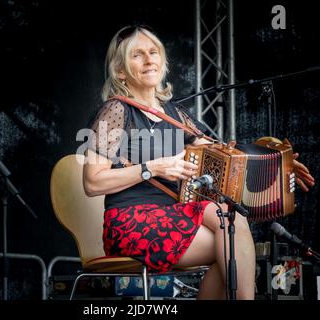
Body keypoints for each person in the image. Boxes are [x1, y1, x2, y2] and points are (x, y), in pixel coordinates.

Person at [82, 26, 315, 300]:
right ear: (121, 71)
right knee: (228, 249)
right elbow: (92, 182)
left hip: (173, 213)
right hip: (130, 220)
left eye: (153, 52)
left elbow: (220, 150)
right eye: (137, 54)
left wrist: (277, 162)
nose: (149, 59)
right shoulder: (115, 111)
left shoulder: (175, 114)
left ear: (163, 62)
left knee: (231, 220)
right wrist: (152, 168)